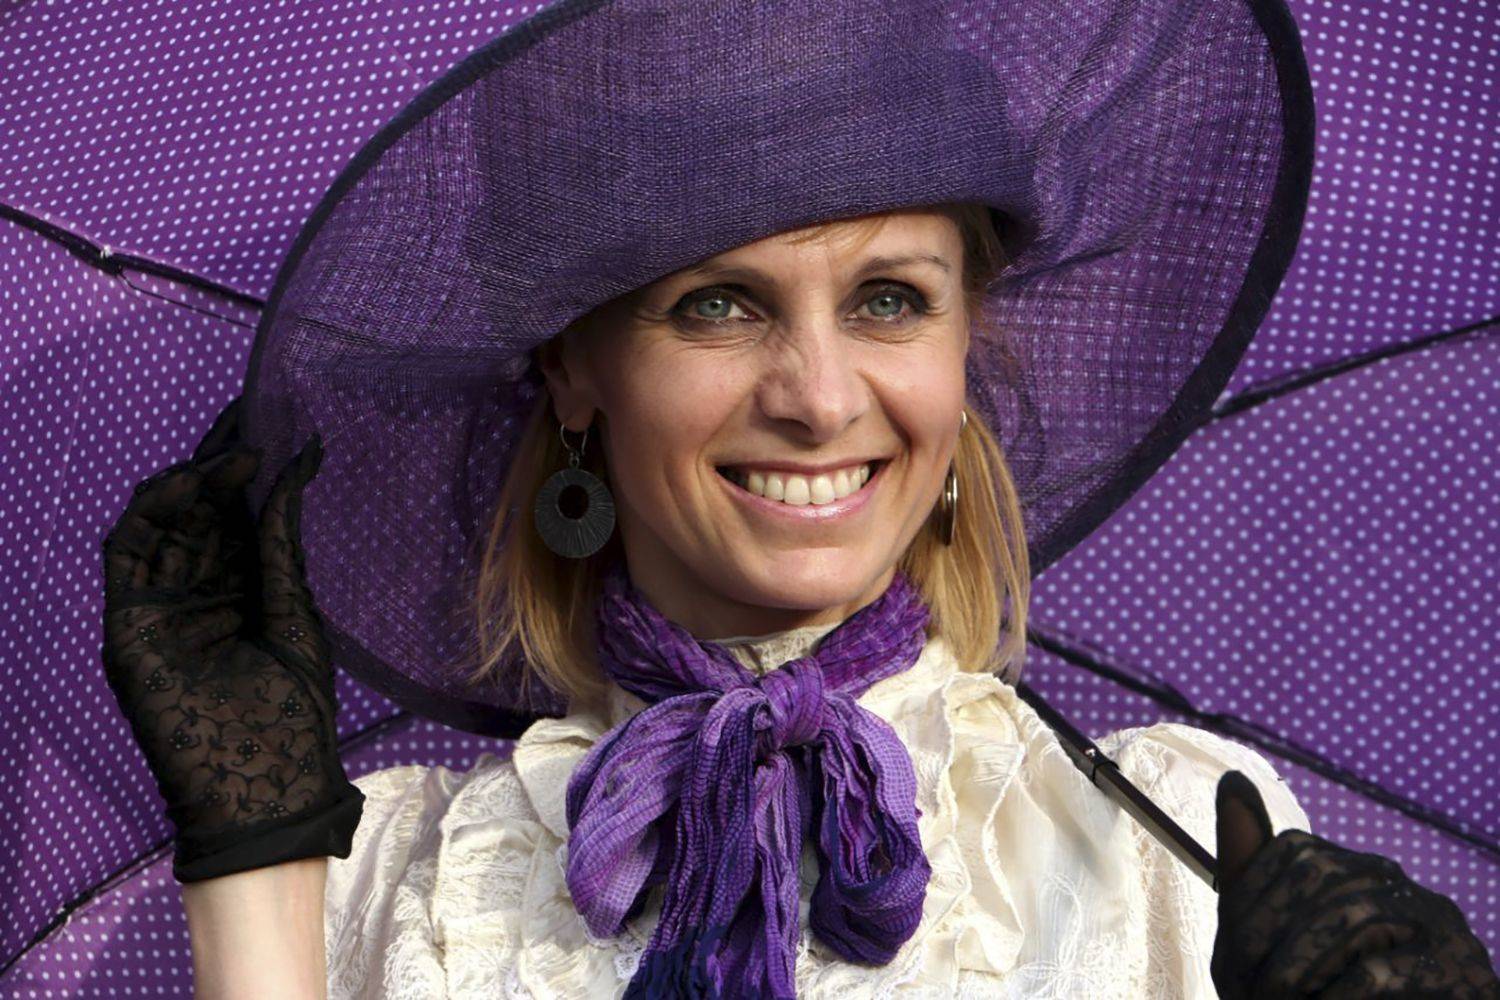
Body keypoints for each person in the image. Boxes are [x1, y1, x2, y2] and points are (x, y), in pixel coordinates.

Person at [99, 0, 1500, 997]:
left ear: (963, 346)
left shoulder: (1178, 850)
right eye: (718, 304)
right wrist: (256, 874)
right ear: (575, 369)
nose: (821, 399)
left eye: (890, 299)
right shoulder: (380, 879)